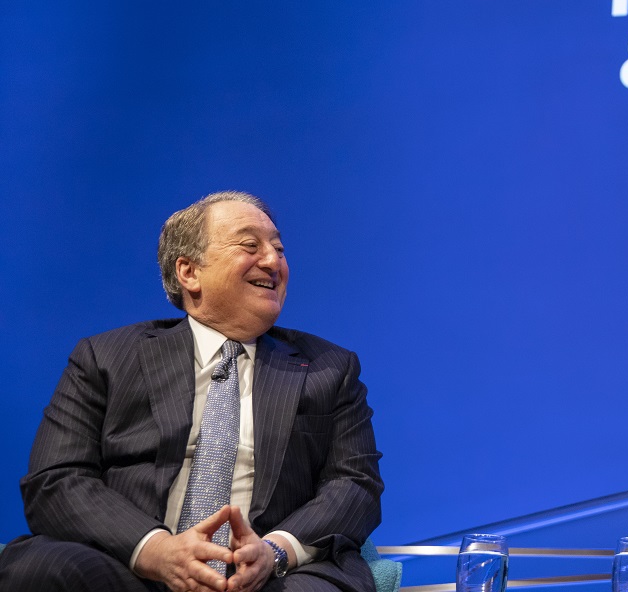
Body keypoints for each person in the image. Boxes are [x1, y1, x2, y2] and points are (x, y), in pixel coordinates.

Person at [0, 191, 383, 592]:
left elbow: (356, 484)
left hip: (272, 576)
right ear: (189, 272)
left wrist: (274, 550)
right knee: (42, 570)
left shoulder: (329, 368)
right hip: (129, 569)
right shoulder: (106, 358)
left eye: (279, 249)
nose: (273, 262)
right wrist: (155, 550)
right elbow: (55, 479)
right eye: (250, 245)